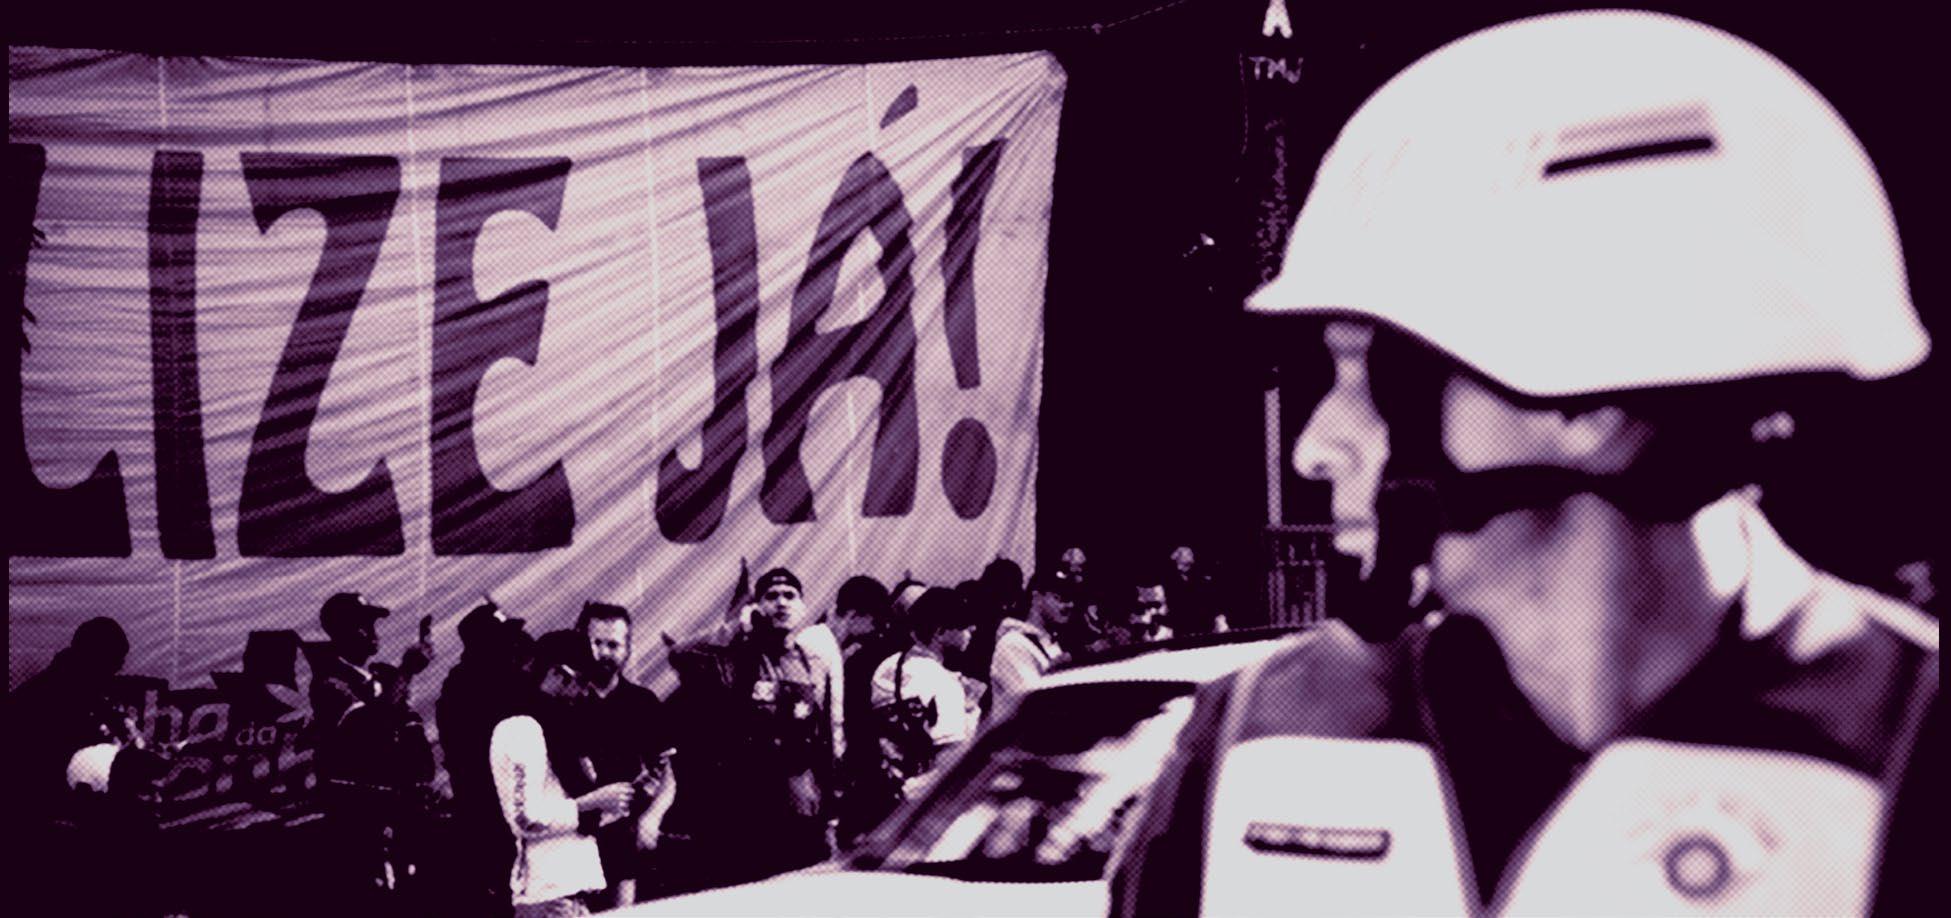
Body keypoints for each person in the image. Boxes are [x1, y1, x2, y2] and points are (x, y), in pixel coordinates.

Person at [1109, 11, 1938, 916]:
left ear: (1589, 408)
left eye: (1364, 379)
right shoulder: (1254, 738)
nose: (1316, 449)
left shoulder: (1911, 748)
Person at [663, 567, 837, 891]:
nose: (781, 603)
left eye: (790, 596)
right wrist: (734, 628)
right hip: (746, 810)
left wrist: (828, 814)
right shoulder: (731, 657)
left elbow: (822, 741)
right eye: (771, 597)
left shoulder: (812, 663)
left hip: (800, 810)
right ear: (757, 606)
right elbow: (679, 654)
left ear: (802, 607)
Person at [491, 630, 643, 918]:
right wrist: (594, 802)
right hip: (545, 896)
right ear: (557, 674)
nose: (584, 692)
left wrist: (613, 804)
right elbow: (525, 819)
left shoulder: (556, 729)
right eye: (581, 682)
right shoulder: (521, 728)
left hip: (569, 894)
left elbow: (564, 807)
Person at [572, 601, 676, 909]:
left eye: (614, 645)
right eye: (596, 643)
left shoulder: (642, 702)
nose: (604, 653)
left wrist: (652, 818)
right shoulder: (566, 700)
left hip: (625, 839)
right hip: (574, 836)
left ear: (628, 648)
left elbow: (668, 775)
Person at [438, 600, 529, 917]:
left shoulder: (494, 680)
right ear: (484, 645)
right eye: (503, 640)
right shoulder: (470, 687)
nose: (512, 647)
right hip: (486, 814)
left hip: (502, 812)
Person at [869, 588, 982, 805]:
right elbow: (949, 763)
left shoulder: (887, 666)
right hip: (920, 800)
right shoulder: (943, 683)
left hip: (881, 787)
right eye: (964, 625)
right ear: (940, 632)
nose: (972, 629)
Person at [989, 571, 1077, 715]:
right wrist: (1057, 669)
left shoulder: (1054, 644)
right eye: (1061, 598)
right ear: (1037, 598)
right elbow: (1032, 704)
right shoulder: (1013, 644)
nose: (1070, 605)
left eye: (1073, 598)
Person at [1165, 546, 1228, 635]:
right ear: (1178, 558)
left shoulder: (1202, 579)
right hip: (1181, 626)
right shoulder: (1169, 581)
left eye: (1191, 554)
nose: (1192, 556)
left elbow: (1212, 601)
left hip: (1203, 625)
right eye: (1188, 554)